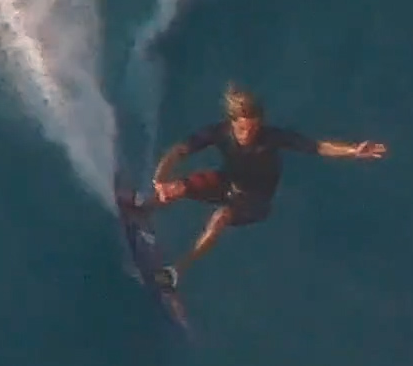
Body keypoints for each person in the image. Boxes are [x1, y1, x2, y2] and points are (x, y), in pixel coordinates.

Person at [119, 85, 389, 283]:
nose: (249, 133)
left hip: (256, 201)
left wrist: (353, 151)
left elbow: (317, 146)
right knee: (178, 187)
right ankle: (144, 206)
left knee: (221, 216)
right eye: (243, 128)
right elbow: (178, 151)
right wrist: (160, 181)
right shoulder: (220, 132)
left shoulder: (271, 137)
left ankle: (175, 272)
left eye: (254, 128)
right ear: (233, 122)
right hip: (227, 182)